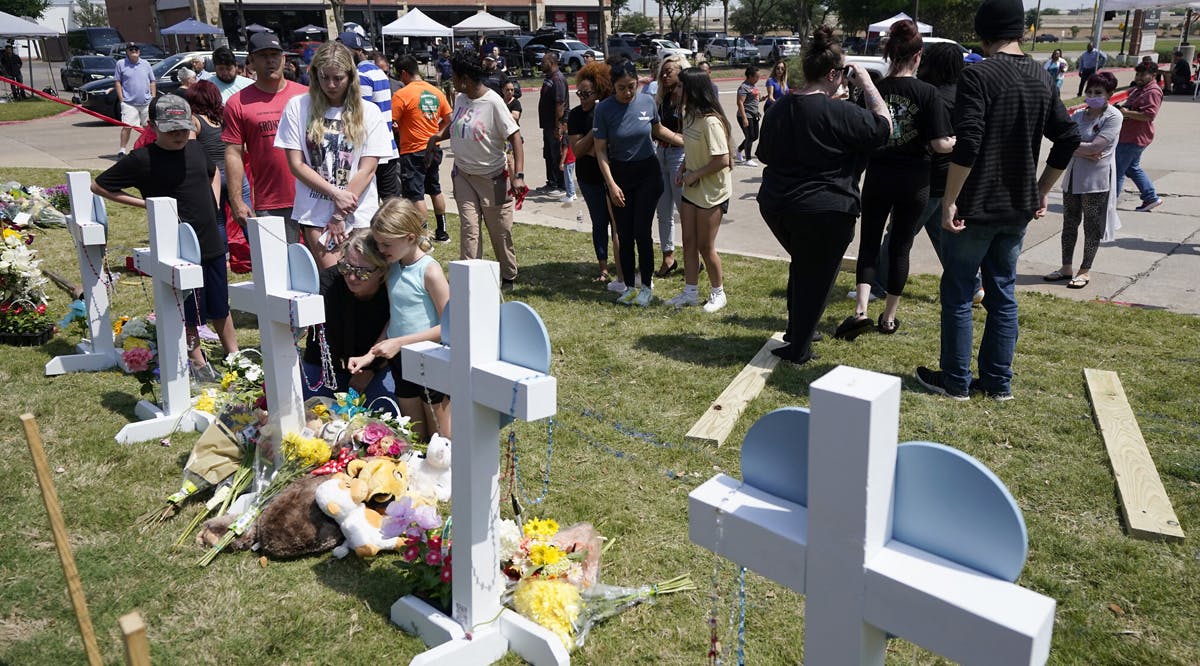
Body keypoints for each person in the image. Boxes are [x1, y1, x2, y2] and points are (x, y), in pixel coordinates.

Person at [915, 0, 1080, 401]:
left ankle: (955, 381)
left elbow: (968, 142)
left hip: (976, 207)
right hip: (1017, 209)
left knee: (957, 291)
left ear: (984, 31)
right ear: (1021, 29)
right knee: (1002, 294)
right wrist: (1040, 190)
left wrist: (950, 200)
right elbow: (1069, 136)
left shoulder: (979, 75)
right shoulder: (1042, 76)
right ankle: (997, 383)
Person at [756, 27, 891, 365]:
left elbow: (764, 155)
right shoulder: (840, 113)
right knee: (817, 277)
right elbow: (885, 126)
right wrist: (867, 83)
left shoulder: (779, 109)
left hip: (777, 206)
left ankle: (795, 332)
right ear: (834, 74)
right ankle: (799, 347)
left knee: (803, 265)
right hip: (827, 210)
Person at [93, 94, 238, 380]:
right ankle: (197, 360)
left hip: (208, 238)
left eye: (183, 129)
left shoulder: (195, 150)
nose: (179, 135)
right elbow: (99, 186)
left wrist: (214, 200)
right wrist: (147, 205)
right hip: (177, 244)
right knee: (189, 303)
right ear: (152, 126)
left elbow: (213, 173)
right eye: (171, 130)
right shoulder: (142, 159)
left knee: (220, 300)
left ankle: (233, 353)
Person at [837, 20, 954, 341]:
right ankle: (888, 317)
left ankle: (861, 310)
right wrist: (959, 141)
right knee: (901, 247)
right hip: (916, 180)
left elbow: (862, 136)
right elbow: (941, 144)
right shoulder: (928, 93)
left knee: (870, 244)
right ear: (918, 56)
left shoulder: (875, 91)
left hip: (878, 176)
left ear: (889, 54)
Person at [873, 43, 980, 303]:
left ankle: (877, 285)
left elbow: (933, 141)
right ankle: (973, 285)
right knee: (941, 234)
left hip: (925, 177)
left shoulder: (932, 96)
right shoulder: (964, 95)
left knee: (898, 234)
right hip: (954, 178)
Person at [275, 41, 393, 270]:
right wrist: (333, 194)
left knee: (362, 278)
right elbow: (296, 164)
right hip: (315, 211)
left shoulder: (369, 112)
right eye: (324, 77)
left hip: (359, 211)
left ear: (350, 76)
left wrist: (339, 214)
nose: (330, 84)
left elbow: (368, 168)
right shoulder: (297, 107)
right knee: (333, 278)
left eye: (338, 78)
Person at [348, 199, 451, 443]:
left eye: (386, 244)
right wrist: (370, 355)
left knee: (441, 437)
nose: (381, 249)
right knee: (413, 434)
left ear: (410, 237)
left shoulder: (430, 271)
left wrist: (399, 342)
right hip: (401, 360)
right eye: (379, 242)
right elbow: (396, 320)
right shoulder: (393, 267)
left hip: (430, 360)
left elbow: (449, 327)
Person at [427, 50, 524, 290]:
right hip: (464, 176)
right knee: (469, 229)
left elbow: (516, 138)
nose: (452, 81)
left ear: (466, 79)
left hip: (492, 178)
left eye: (455, 76)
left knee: (499, 232)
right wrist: (436, 138)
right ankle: (469, 279)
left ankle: (508, 275)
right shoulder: (460, 99)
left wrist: (519, 175)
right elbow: (457, 125)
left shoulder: (493, 102)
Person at [593, 60, 684, 306]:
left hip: (648, 174)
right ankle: (629, 287)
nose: (628, 92)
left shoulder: (646, 101)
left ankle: (646, 286)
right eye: (621, 88)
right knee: (624, 233)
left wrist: (682, 140)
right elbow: (600, 151)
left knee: (642, 231)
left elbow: (658, 129)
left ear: (637, 82)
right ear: (613, 86)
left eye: (631, 86)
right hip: (620, 176)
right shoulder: (604, 110)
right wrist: (611, 184)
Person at [223, 33, 308, 245]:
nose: (270, 60)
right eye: (263, 56)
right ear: (251, 61)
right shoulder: (238, 103)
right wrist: (236, 201)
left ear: (284, 59)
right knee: (279, 270)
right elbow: (233, 153)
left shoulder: (307, 96)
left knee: (324, 271)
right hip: (272, 201)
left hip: (314, 198)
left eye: (275, 55)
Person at [1044, 72, 1122, 291]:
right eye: (1089, 91)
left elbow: (1097, 148)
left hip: (1096, 182)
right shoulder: (1078, 115)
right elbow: (1066, 141)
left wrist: (1075, 148)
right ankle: (1065, 267)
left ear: (1109, 94)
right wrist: (1083, 150)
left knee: (1091, 226)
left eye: (1098, 92)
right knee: (1069, 223)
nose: (1092, 95)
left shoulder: (1113, 117)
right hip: (1072, 179)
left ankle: (1084, 270)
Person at [665, 68, 733, 313]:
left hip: (712, 192)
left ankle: (718, 293)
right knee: (688, 242)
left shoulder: (711, 122)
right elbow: (691, 147)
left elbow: (723, 159)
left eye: (681, 87)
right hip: (691, 188)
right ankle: (690, 292)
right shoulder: (689, 115)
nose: (677, 90)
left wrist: (693, 174)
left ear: (692, 90)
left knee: (706, 246)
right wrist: (683, 167)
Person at [302, 229, 395, 403]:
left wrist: (372, 369)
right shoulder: (327, 284)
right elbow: (316, 343)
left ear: (382, 271)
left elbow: (398, 333)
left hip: (378, 365)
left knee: (385, 410)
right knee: (307, 407)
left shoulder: (393, 292)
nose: (352, 277)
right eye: (346, 267)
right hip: (327, 365)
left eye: (362, 272)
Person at [567, 62, 626, 291]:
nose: (582, 97)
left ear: (599, 90)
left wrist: (590, 143)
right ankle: (603, 267)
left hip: (611, 176)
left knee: (618, 224)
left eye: (587, 93)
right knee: (599, 222)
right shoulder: (575, 115)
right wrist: (595, 130)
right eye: (579, 93)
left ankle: (622, 266)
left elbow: (610, 146)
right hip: (588, 177)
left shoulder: (609, 109)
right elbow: (579, 150)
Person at [391, 54, 453, 240]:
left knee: (416, 194)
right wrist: (436, 135)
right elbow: (450, 120)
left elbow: (391, 122)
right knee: (435, 189)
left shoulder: (402, 95)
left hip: (412, 150)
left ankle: (423, 235)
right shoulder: (436, 91)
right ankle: (442, 232)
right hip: (434, 149)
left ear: (403, 73)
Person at [340, 31, 401, 202]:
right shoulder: (377, 71)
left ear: (356, 51)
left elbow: (361, 114)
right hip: (387, 146)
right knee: (390, 203)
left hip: (371, 151)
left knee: (370, 203)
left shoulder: (360, 76)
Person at [650, 55, 686, 278]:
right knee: (663, 212)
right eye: (663, 71)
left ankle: (695, 258)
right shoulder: (660, 99)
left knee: (685, 211)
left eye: (669, 71)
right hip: (660, 153)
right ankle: (668, 258)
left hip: (679, 157)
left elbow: (691, 134)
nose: (664, 75)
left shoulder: (686, 99)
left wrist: (676, 139)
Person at [1115, 62, 1164, 212]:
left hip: (1134, 137)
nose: (1139, 77)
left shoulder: (1153, 91)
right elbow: (1134, 106)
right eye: (1137, 74)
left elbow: (1149, 115)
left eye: (1143, 75)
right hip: (1130, 135)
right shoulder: (1140, 89)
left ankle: (1108, 203)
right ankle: (1150, 198)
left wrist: (1126, 113)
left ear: (1153, 76)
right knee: (1132, 168)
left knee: (1117, 171)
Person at [114, 43, 156, 156]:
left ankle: (149, 147)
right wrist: (121, 98)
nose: (134, 51)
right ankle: (122, 150)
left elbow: (152, 81)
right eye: (131, 49)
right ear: (127, 52)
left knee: (148, 127)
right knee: (127, 126)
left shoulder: (146, 64)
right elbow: (117, 81)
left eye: (136, 49)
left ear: (139, 51)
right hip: (128, 103)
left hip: (146, 102)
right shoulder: (121, 64)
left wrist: (153, 96)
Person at [539, 52, 569, 195]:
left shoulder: (557, 79)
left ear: (551, 62)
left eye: (543, 62)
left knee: (557, 154)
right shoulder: (549, 78)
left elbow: (560, 104)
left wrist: (559, 126)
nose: (541, 64)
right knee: (549, 154)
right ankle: (551, 182)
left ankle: (561, 185)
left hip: (555, 125)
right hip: (547, 125)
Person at [735, 66, 761, 166]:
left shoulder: (753, 86)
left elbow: (753, 99)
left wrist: (762, 98)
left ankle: (739, 150)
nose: (758, 79)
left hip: (754, 115)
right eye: (757, 77)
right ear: (750, 76)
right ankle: (748, 159)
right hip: (745, 115)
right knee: (749, 136)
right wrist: (744, 118)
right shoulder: (744, 87)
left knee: (754, 136)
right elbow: (740, 103)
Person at [559, 121, 576, 202]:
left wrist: (561, 162)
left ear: (565, 125)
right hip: (573, 159)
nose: (560, 128)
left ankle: (569, 195)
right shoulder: (570, 134)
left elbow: (565, 150)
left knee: (567, 178)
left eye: (561, 126)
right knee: (570, 177)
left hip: (568, 160)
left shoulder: (565, 137)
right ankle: (573, 193)